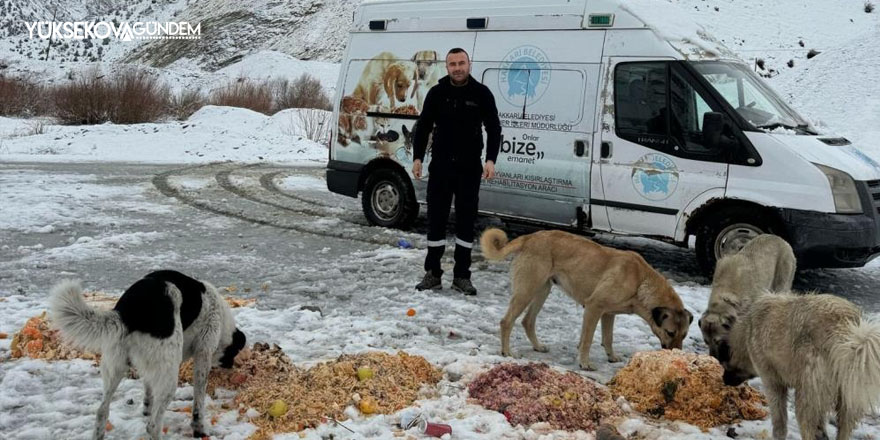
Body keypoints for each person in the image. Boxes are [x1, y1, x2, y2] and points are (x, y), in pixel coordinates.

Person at [411, 48, 501, 295]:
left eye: (461, 63)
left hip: (469, 169)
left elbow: (494, 128)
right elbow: (423, 127)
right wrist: (417, 156)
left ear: (469, 65)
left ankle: (462, 275)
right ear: (446, 67)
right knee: (436, 221)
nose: (457, 67)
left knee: (465, 222)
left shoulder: (481, 94)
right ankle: (433, 274)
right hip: (440, 167)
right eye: (453, 64)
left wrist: (491, 160)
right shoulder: (437, 93)